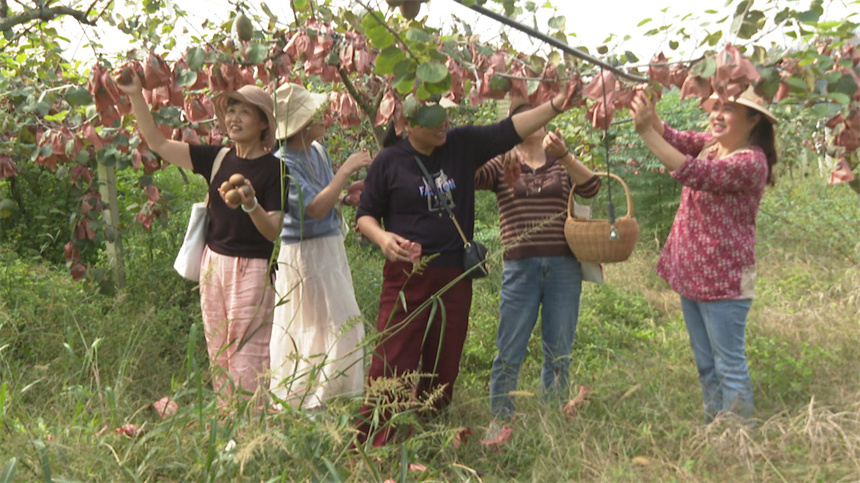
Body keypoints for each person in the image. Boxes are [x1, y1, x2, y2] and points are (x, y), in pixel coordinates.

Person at [355, 86, 577, 446]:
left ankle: (429, 426)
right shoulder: (390, 161)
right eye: (433, 121)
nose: (444, 125)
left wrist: (555, 105)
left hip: (454, 272)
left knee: (445, 358)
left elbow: (510, 130)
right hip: (407, 274)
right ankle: (378, 439)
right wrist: (383, 239)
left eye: (446, 117)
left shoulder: (462, 144)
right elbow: (366, 214)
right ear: (408, 124)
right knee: (394, 357)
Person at [116, 75, 286, 404]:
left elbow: (273, 230)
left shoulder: (276, 170)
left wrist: (250, 203)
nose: (234, 118)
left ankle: (251, 435)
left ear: (264, 123)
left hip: (252, 270)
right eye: (231, 110)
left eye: (245, 112)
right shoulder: (217, 158)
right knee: (219, 352)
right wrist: (137, 94)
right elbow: (159, 144)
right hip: (214, 264)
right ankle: (227, 427)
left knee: (248, 355)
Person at [629, 85, 778, 422]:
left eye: (728, 109)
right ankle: (716, 424)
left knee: (729, 363)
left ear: (754, 119)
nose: (716, 114)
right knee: (706, 361)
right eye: (715, 107)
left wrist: (645, 133)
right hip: (693, 274)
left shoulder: (750, 162)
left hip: (724, 280)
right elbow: (676, 137)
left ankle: (738, 431)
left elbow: (694, 173)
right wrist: (649, 114)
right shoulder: (713, 146)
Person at [474, 98, 600, 441]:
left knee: (558, 350)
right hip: (520, 267)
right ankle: (500, 422)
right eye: (526, 120)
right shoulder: (502, 165)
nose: (536, 123)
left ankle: (552, 422)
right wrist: (497, 149)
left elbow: (591, 188)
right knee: (508, 351)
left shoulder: (560, 161)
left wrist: (564, 155)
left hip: (564, 266)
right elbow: (467, 176)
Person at [268, 82, 370, 410]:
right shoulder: (283, 162)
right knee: (314, 325)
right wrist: (346, 169)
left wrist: (344, 196)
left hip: (329, 249)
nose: (323, 116)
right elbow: (311, 207)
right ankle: (308, 400)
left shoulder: (317, 152)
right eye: (315, 113)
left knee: (336, 323)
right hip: (304, 255)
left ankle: (330, 397)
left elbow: (323, 199)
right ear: (301, 124)